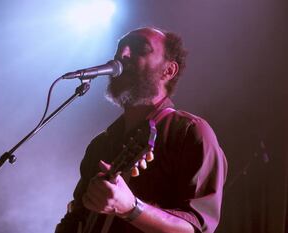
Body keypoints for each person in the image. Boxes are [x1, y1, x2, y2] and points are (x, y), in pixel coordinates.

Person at [55, 27, 227, 233]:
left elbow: (196, 229)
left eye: (139, 48)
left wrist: (131, 208)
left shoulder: (190, 133)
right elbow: (76, 219)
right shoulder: (101, 145)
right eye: (120, 48)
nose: (122, 54)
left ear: (168, 70)